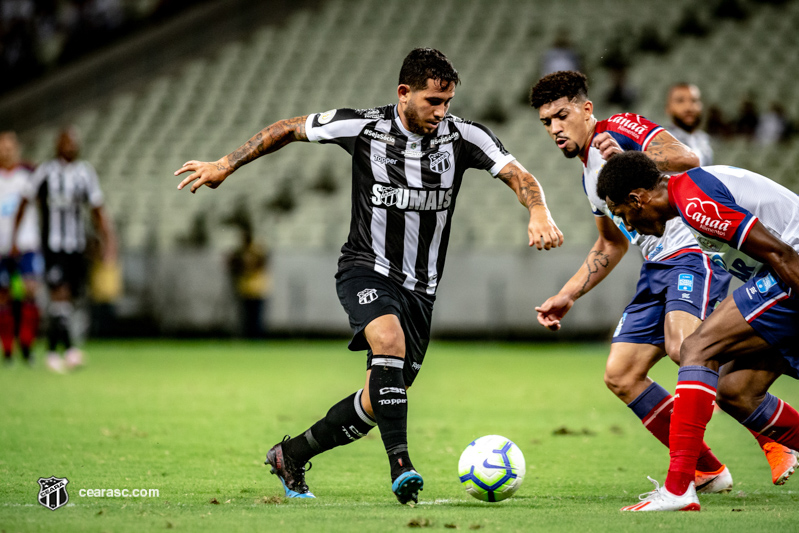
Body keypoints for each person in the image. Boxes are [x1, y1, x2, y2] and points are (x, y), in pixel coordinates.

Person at [175, 48, 563, 504]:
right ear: (404, 93)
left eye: (448, 101)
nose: (442, 112)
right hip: (365, 269)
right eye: (433, 101)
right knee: (388, 343)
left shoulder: (463, 137)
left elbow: (518, 174)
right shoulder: (363, 126)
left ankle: (291, 454)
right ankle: (402, 465)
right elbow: (288, 128)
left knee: (380, 398)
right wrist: (226, 164)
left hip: (421, 290)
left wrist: (537, 209)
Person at [529, 71, 794, 492]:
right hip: (655, 266)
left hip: (693, 253)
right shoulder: (589, 177)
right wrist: (567, 294)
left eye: (561, 116)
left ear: (585, 109)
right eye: (546, 123)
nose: (555, 128)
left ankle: (766, 436)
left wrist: (629, 156)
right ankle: (707, 470)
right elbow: (611, 244)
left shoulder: (618, 129)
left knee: (688, 348)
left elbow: (687, 159)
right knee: (621, 375)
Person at [598, 151, 799, 511]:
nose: (627, 223)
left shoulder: (695, 202)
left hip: (793, 265)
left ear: (637, 198)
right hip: (782, 275)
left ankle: (678, 490)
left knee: (697, 349)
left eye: (622, 213)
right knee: (736, 390)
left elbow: (782, 254)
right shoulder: (689, 204)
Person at [13, 126, 117, 373]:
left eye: (73, 141)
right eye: (66, 141)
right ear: (57, 144)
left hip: (76, 246)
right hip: (52, 245)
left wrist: (108, 240)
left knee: (67, 299)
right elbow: (24, 201)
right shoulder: (45, 171)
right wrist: (17, 237)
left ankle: (57, 351)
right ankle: (62, 352)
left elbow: (97, 209)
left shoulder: (85, 173)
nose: (70, 145)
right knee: (59, 294)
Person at [0, 131, 42, 365]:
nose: (6, 151)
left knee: (30, 289)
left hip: (27, 244)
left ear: (17, 149)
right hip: (2, 246)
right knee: (3, 296)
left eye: (9, 147)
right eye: (2, 147)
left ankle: (27, 344)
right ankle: (7, 350)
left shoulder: (28, 175)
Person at [228, 226, 270, 338]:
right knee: (247, 318)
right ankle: (249, 338)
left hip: (256, 288)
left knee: (256, 318)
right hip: (247, 288)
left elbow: (261, 264)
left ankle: (256, 338)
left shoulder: (256, 251)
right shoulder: (242, 252)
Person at [665, 83, 713, 166]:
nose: (688, 107)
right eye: (680, 101)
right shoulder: (663, 142)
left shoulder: (704, 140)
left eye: (694, 100)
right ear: (668, 108)